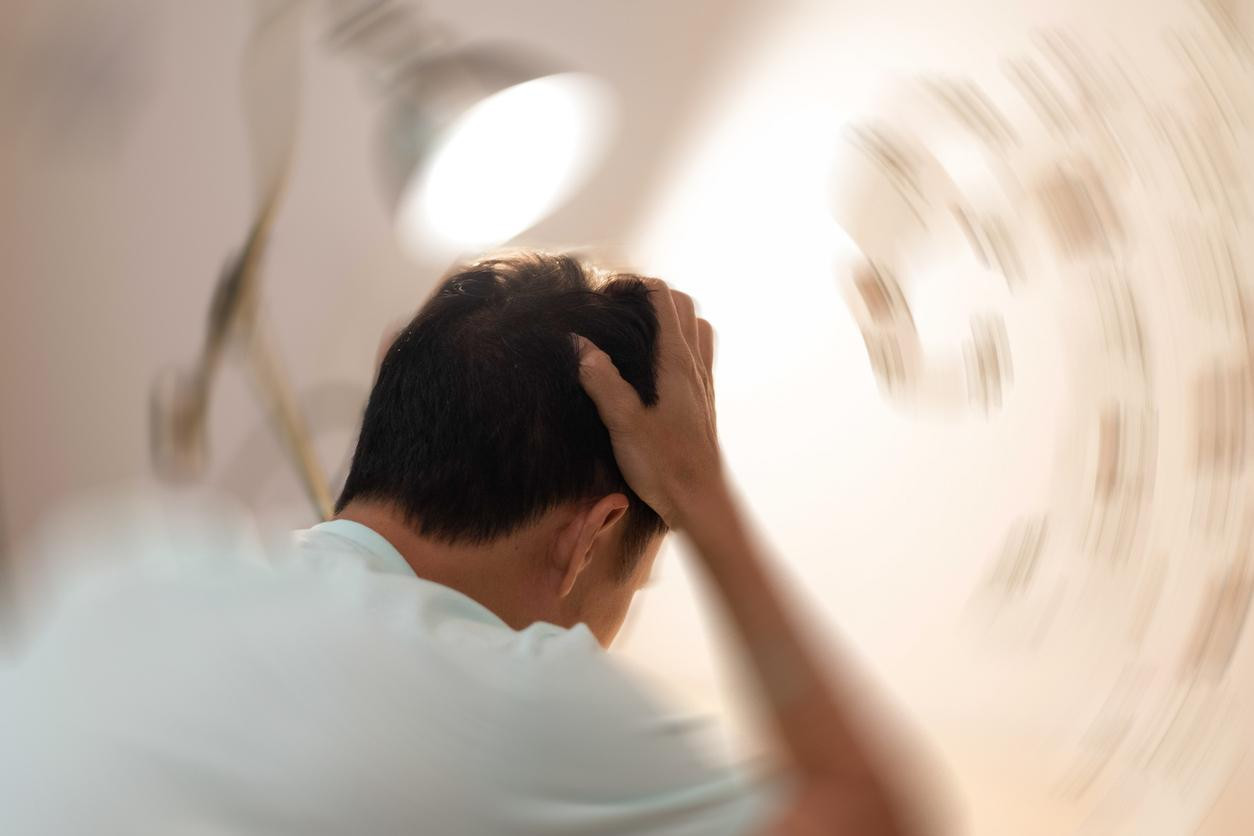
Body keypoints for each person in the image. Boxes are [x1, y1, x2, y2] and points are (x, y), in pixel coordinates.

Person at [0, 251, 918, 835]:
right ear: (594, 536)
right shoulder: (526, 701)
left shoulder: (110, 567)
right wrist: (700, 494)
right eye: (637, 585)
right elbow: (874, 819)